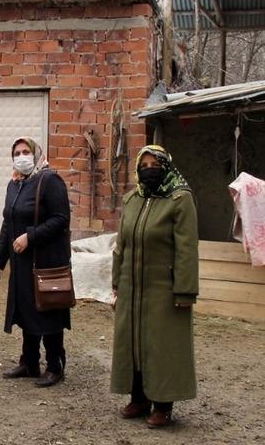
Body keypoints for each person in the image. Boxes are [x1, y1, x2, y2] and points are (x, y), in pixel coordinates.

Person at [110, 145, 198, 429]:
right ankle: (139, 399)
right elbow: (120, 246)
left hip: (164, 287)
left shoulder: (179, 199)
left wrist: (184, 290)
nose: (149, 169)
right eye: (144, 164)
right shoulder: (134, 199)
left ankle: (162, 405)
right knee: (132, 342)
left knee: (161, 346)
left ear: (166, 165)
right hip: (132, 286)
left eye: (155, 164)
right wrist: (116, 283)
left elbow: (186, 249)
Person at [0, 137, 71, 388]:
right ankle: (30, 362)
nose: (21, 156)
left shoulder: (49, 181)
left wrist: (30, 237)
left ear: (36, 154)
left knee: (47, 309)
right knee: (26, 310)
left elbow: (61, 218)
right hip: (22, 261)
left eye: (26, 151)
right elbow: (9, 222)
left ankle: (55, 366)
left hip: (45, 260)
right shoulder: (15, 184)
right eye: (17, 152)